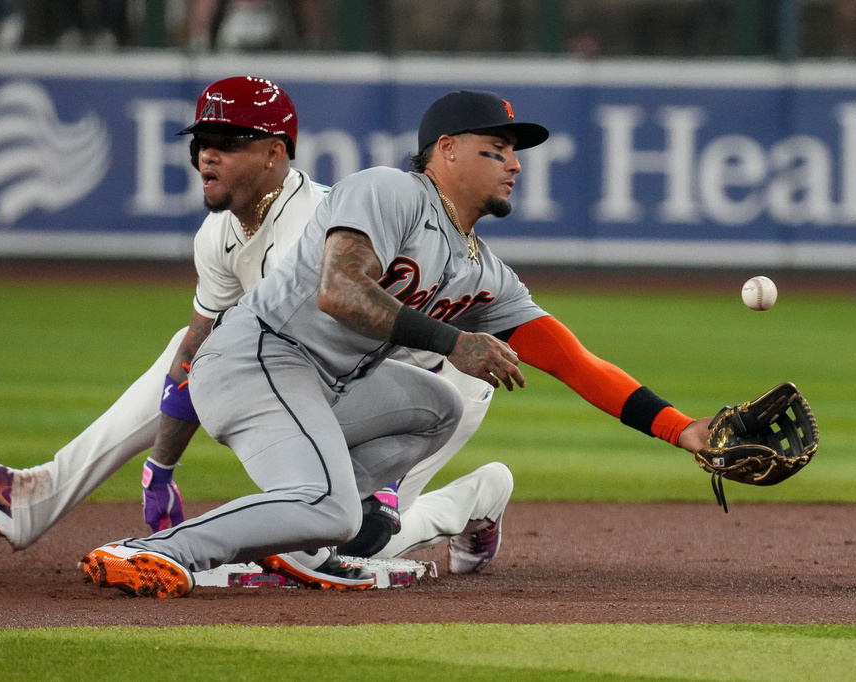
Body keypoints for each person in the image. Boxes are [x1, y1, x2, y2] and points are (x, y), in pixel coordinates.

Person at [78, 88, 712, 599]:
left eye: (515, 153)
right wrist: (455, 342)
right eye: (497, 149)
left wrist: (683, 430)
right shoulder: (391, 191)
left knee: (441, 406)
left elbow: (573, 361)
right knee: (329, 505)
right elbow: (340, 291)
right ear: (447, 151)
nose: (515, 164)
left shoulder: (483, 271)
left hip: (319, 385)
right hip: (257, 359)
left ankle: (305, 545)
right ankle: (155, 551)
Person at [0, 77, 508, 581]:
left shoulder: (314, 223)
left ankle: (480, 494)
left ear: (275, 153)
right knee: (313, 504)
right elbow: (195, 352)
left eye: (228, 143)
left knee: (360, 529)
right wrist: (161, 467)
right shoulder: (218, 236)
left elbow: (380, 332)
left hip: (431, 383)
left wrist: (382, 489)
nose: (208, 155)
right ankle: (40, 497)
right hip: (325, 384)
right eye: (201, 143)